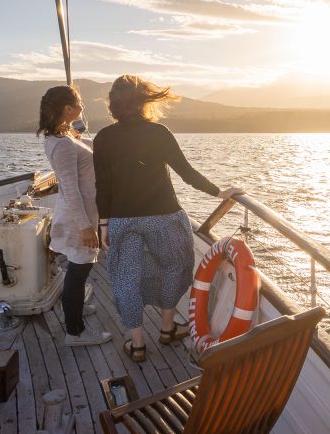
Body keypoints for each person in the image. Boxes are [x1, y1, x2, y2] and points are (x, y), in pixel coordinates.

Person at [93, 75, 240, 362]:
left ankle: (137, 345)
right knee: (175, 267)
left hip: (123, 220)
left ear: (112, 104)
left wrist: (103, 224)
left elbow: (103, 186)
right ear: (144, 102)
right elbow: (187, 173)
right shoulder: (159, 133)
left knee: (126, 280)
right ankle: (167, 328)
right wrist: (219, 192)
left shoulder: (104, 138)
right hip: (164, 217)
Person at [38, 85, 112, 347]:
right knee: (79, 270)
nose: (83, 105)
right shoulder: (61, 145)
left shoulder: (65, 137)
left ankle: (74, 307)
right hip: (77, 216)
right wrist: (85, 227)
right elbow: (69, 188)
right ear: (67, 108)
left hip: (81, 212)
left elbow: (90, 146)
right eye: (79, 102)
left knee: (79, 268)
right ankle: (75, 332)